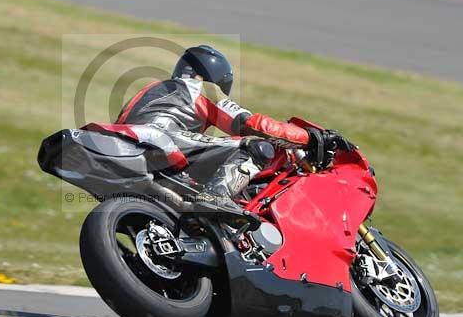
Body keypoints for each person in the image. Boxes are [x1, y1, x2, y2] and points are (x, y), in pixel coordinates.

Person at [112, 45, 351, 212]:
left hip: (128, 151)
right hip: (159, 142)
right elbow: (252, 125)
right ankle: (215, 199)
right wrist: (307, 137)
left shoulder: (152, 90)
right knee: (258, 147)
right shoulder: (201, 88)